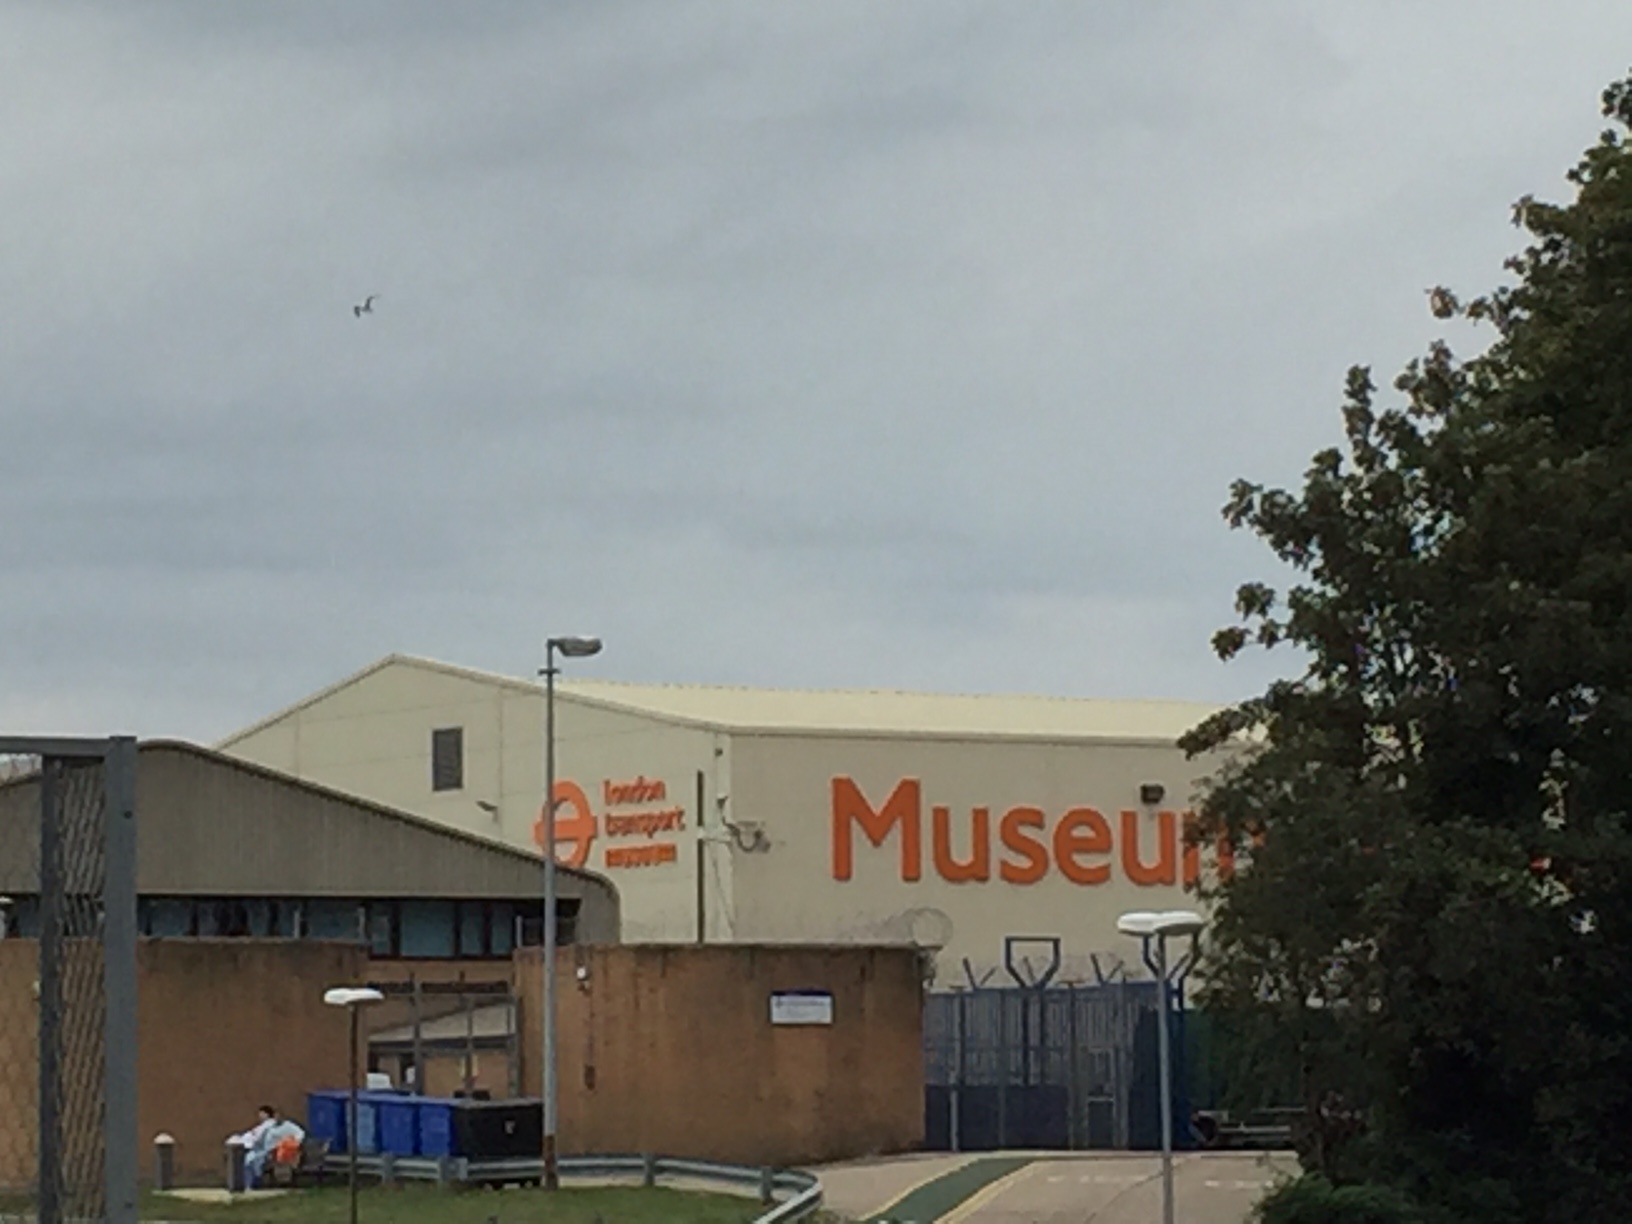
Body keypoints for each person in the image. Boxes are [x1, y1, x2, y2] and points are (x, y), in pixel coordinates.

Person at [231, 1105, 305, 1188]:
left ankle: (255, 1183)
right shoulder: (270, 1127)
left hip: (275, 1152)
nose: (277, 1118)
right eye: (275, 1116)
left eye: (279, 1116)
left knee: (256, 1161)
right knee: (248, 1160)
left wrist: (291, 1143)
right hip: (263, 1149)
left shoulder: (289, 1126)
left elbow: (300, 1134)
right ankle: (248, 1184)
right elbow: (259, 1136)